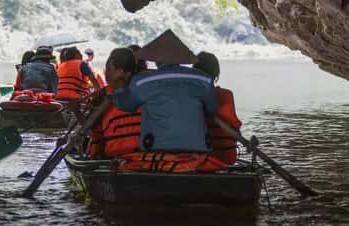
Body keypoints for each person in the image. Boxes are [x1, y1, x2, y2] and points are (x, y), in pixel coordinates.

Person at [112, 30, 217, 172]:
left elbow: (125, 104)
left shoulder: (142, 81)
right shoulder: (204, 79)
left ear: (156, 59)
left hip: (156, 149)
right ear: (181, 57)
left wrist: (118, 88)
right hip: (198, 150)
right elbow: (212, 109)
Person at [87, 47, 142, 158]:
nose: (106, 74)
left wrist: (76, 110)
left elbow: (91, 129)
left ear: (120, 71)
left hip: (116, 153)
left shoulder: (103, 96)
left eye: (109, 69)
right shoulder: (146, 89)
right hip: (145, 150)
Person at [193, 51, 242, 170]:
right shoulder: (227, 95)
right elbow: (235, 127)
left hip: (198, 158)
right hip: (226, 157)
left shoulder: (190, 97)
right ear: (216, 74)